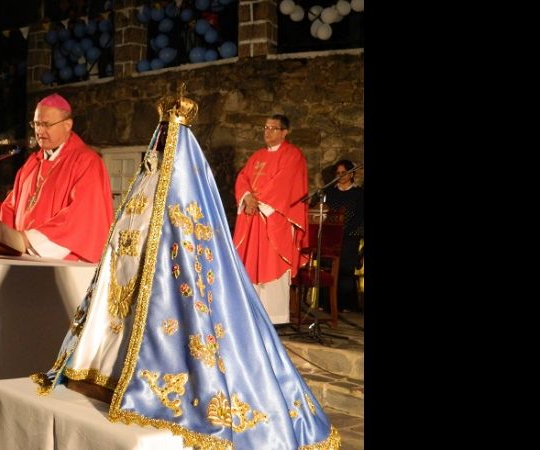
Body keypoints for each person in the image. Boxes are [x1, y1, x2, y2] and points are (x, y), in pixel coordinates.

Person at [32, 93, 339, 449]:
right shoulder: (148, 181)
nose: (162, 144)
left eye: (169, 137)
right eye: (160, 135)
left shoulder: (194, 191)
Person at [0, 93, 113, 263]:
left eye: (46, 124)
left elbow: (82, 217)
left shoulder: (87, 162)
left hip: (62, 265)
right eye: (36, 124)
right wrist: (2, 237)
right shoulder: (31, 164)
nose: (39, 131)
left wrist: (28, 240)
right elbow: (10, 207)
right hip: (21, 260)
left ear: (67, 125)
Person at [232, 114, 309, 324]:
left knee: (271, 263)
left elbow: (284, 184)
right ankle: (251, 314)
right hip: (253, 218)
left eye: (273, 128)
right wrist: (247, 197)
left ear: (285, 132)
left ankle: (275, 317)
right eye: (265, 127)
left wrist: (257, 201)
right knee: (251, 263)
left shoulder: (293, 155)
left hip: (276, 219)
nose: (267, 131)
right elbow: (243, 178)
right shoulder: (257, 156)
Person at [324, 159, 364, 312]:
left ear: (352, 174)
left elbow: (359, 216)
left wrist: (344, 232)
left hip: (350, 236)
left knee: (346, 269)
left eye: (344, 172)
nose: (341, 175)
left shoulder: (359, 193)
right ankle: (327, 303)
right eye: (338, 173)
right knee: (328, 268)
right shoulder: (329, 192)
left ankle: (346, 304)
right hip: (331, 236)